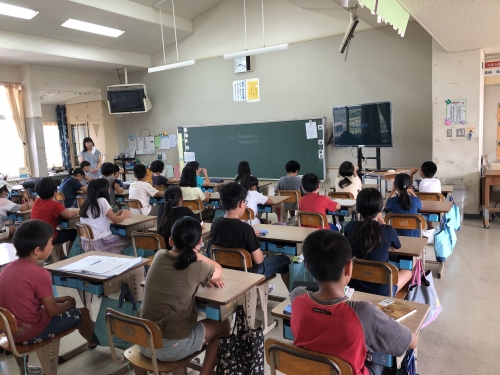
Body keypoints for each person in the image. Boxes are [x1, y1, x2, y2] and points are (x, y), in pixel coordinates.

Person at [291, 230, 417, 375]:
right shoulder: (363, 313)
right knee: (385, 364)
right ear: (349, 267)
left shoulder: (297, 297)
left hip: (309, 371)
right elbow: (412, 342)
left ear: (307, 267)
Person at [138, 216, 230, 375]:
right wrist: (195, 254)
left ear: (171, 240)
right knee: (224, 325)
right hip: (169, 348)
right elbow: (218, 269)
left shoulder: (159, 255)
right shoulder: (197, 266)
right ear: (200, 242)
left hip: (143, 339)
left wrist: (202, 274)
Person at [0, 220, 98, 348]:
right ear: (37, 250)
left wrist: (60, 299)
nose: (52, 246)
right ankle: (93, 342)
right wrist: (69, 304)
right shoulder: (39, 274)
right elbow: (52, 311)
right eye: (50, 243)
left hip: (10, 332)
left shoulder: (7, 269)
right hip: (32, 333)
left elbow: (27, 300)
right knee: (83, 313)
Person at [211, 182, 291, 289]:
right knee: (285, 261)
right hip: (249, 272)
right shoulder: (246, 229)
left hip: (225, 268)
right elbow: (258, 260)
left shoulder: (215, 224)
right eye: (245, 202)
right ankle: (291, 296)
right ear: (240, 203)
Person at [344, 188, 412, 296]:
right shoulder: (388, 230)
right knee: (409, 271)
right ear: (381, 208)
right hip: (382, 292)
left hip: (353, 287)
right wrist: (381, 219)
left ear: (357, 208)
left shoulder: (349, 227)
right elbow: (397, 247)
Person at [31, 178, 79, 260]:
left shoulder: (37, 201)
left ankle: (62, 257)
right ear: (55, 192)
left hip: (34, 235)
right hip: (47, 236)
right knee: (73, 233)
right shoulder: (55, 205)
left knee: (59, 231)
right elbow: (68, 215)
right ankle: (70, 258)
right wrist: (80, 211)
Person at [79, 179, 132, 253]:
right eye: (107, 187)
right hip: (101, 242)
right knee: (132, 240)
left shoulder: (86, 202)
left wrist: (117, 214)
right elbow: (116, 220)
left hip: (86, 243)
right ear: (102, 190)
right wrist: (124, 215)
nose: (109, 189)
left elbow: (101, 218)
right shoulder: (102, 200)